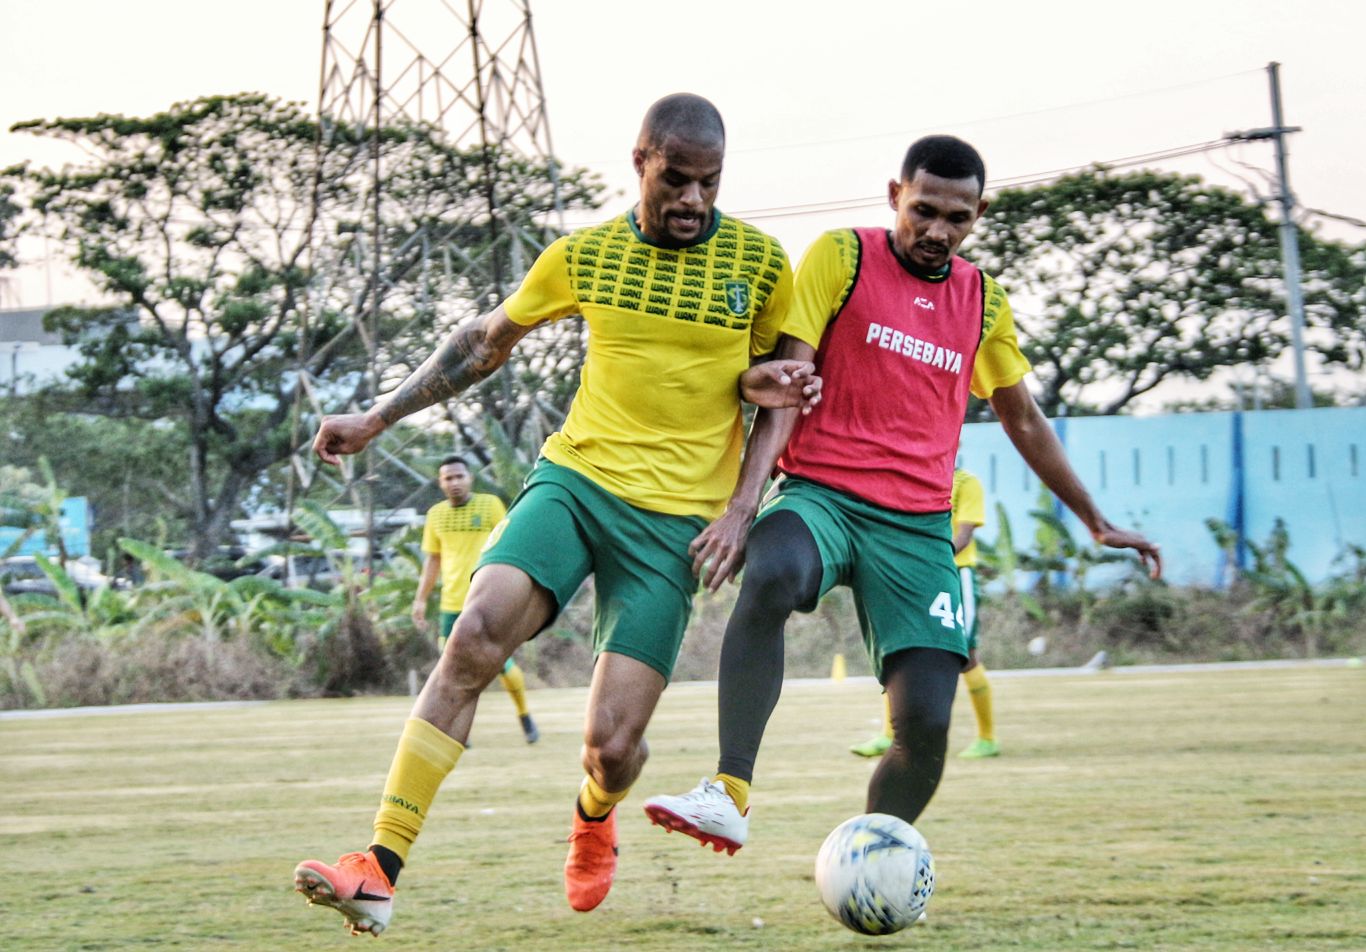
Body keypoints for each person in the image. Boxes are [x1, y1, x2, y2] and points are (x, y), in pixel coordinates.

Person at [291, 92, 822, 936]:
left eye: (709, 184)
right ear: (640, 162)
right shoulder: (584, 256)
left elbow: (779, 393)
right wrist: (379, 416)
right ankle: (378, 865)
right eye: (675, 180)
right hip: (576, 483)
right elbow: (480, 344)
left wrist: (741, 510)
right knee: (472, 636)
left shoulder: (761, 264)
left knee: (612, 747)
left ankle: (593, 810)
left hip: (673, 528)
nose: (691, 201)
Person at [643, 134, 1161, 857]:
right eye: (923, 210)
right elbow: (788, 386)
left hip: (918, 526)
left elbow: (1023, 417)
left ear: (979, 213)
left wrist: (1096, 521)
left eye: (958, 217)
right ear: (895, 196)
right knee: (770, 571)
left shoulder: (982, 300)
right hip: (821, 495)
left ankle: (873, 857)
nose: (937, 230)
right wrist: (740, 508)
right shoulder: (841, 257)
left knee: (926, 727)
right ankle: (728, 793)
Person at [850, 466, 998, 759]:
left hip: (956, 576)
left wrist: (925, 560)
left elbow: (964, 535)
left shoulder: (966, 482)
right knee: (900, 649)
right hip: (917, 579)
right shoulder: (911, 478)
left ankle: (987, 738)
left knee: (966, 656)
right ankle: (889, 735)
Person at [412, 455, 538, 745]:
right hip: (451, 604)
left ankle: (525, 716)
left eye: (459, 476)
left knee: (502, 666)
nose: (454, 482)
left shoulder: (490, 505)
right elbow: (433, 560)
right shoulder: (435, 515)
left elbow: (511, 543)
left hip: (487, 600)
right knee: (449, 670)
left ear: (470, 478)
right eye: (448, 478)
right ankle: (455, 729)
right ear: (440, 483)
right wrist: (420, 600)